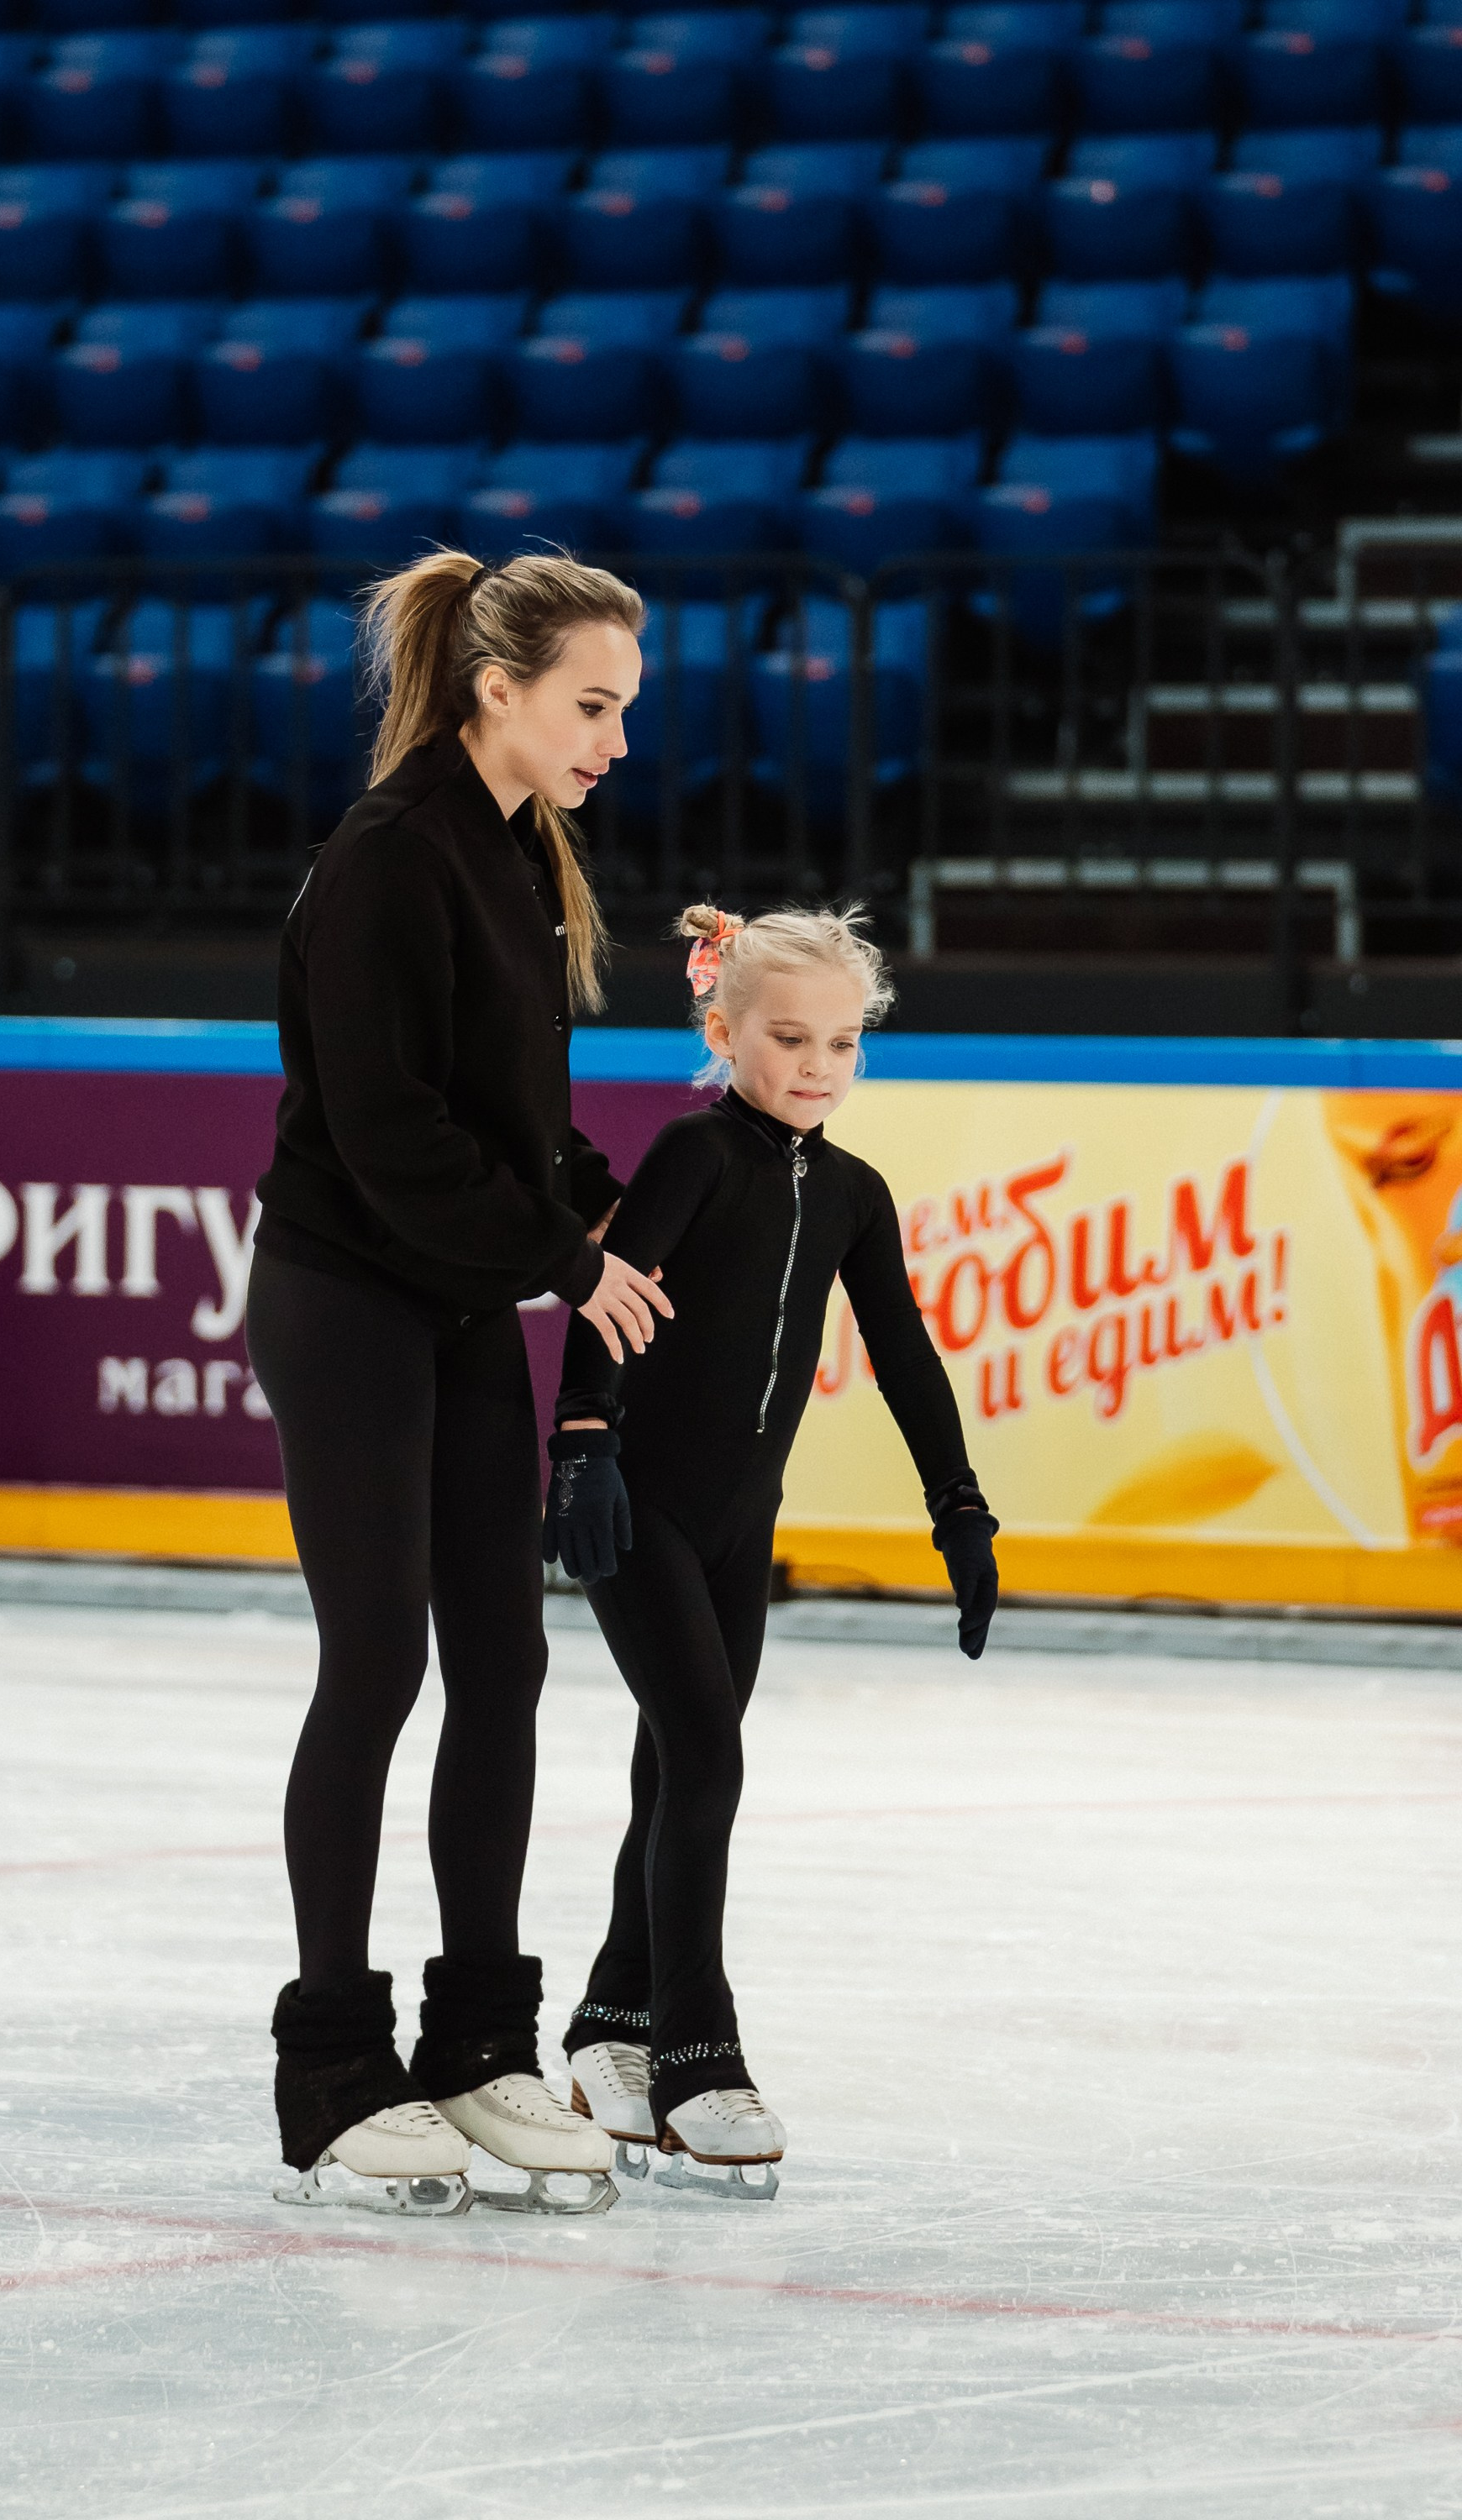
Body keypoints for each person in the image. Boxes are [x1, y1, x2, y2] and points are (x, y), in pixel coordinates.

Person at [247, 549, 672, 2218]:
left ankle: (479, 2043)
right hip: (349, 1296)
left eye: (623, 712)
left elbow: (503, 1114)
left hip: (452, 1300)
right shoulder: (386, 858)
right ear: (498, 686)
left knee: (505, 1661)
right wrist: (565, 1257)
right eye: (590, 706)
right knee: (378, 1664)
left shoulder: (514, 853)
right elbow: (390, 1134)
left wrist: (620, 1202)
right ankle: (332, 2069)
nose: (612, 743)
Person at [544, 904, 999, 2199]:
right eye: (788, 1037)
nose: (815, 1065)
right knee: (705, 1753)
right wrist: (581, 1447)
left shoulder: (854, 1193)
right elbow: (609, 1294)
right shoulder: (693, 1154)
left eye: (842, 1043)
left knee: (674, 1765)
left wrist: (959, 1507)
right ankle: (695, 2053)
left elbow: (904, 1353)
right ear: (724, 1030)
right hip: (639, 1508)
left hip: (746, 1522)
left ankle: (609, 2028)